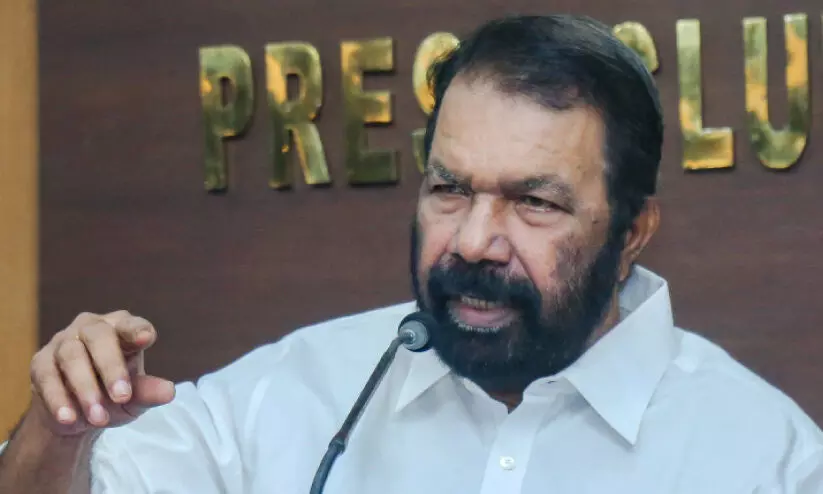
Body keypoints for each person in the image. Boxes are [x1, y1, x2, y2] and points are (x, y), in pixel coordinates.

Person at [1, 14, 821, 494]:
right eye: (448, 189)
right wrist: (58, 432)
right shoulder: (290, 396)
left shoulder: (763, 458)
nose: (472, 241)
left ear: (633, 230)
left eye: (533, 203)